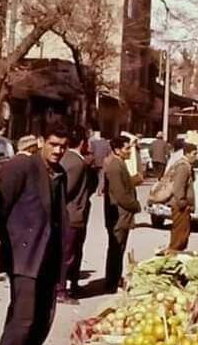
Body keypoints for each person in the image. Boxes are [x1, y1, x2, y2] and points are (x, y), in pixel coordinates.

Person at [0, 125, 69, 345]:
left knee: (43, 319)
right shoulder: (21, 166)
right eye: (53, 144)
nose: (58, 150)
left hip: (49, 257)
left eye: (63, 146)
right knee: (22, 318)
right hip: (24, 256)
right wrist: (1, 250)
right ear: (40, 141)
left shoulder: (60, 173)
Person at [59, 126, 96, 302]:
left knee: (72, 252)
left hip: (73, 214)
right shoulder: (76, 163)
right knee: (68, 254)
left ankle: (72, 286)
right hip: (72, 215)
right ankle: (61, 290)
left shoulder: (69, 159)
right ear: (83, 142)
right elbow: (67, 190)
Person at [104, 136, 141, 292]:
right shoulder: (114, 165)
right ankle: (111, 282)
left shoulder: (119, 163)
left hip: (122, 214)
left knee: (118, 248)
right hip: (119, 215)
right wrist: (135, 205)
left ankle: (114, 279)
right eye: (126, 149)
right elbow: (120, 194)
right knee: (116, 248)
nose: (129, 152)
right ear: (117, 150)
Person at [167, 143, 198, 252]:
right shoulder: (183, 167)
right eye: (194, 154)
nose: (196, 156)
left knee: (183, 234)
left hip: (183, 206)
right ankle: (172, 255)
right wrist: (182, 203)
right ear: (187, 153)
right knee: (179, 236)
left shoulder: (187, 166)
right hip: (180, 206)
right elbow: (178, 187)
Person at [88, 130, 111, 194]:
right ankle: (99, 190)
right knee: (101, 176)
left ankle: (93, 188)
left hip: (95, 161)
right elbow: (109, 152)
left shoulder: (93, 142)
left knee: (94, 175)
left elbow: (91, 151)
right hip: (103, 161)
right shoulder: (107, 143)